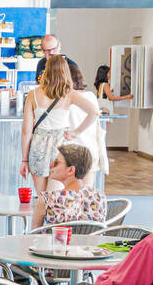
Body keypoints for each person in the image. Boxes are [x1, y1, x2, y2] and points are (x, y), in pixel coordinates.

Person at [20, 55, 99, 198]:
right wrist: (76, 132)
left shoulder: (33, 95)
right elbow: (94, 112)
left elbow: (26, 131)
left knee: (42, 199)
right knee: (55, 198)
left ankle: (40, 220)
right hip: (60, 149)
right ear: (65, 72)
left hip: (38, 146)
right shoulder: (69, 94)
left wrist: (24, 160)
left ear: (46, 71)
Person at [31, 144, 107, 230]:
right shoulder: (100, 197)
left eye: (56, 162)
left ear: (71, 170)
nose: (51, 164)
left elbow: (34, 236)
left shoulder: (47, 199)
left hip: (56, 243)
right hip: (90, 243)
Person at [69, 61, 108, 189]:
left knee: (70, 193)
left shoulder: (66, 98)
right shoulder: (90, 96)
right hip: (90, 150)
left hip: (71, 151)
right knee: (86, 192)